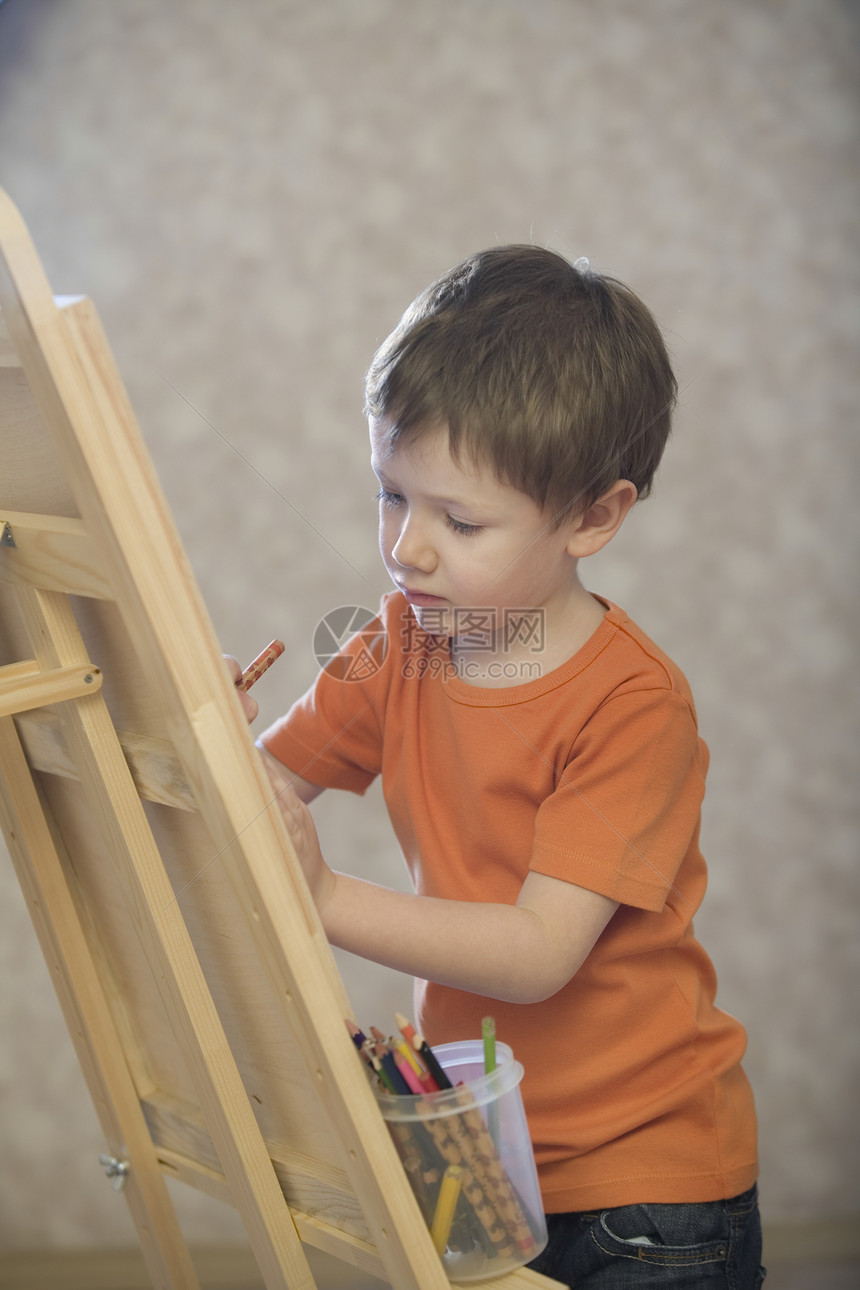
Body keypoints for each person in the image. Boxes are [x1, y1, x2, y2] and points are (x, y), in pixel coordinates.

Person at [230, 245, 764, 1288]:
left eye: (458, 520)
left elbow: (533, 952)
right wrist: (205, 733)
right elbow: (262, 795)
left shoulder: (631, 702)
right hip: (476, 1149)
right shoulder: (402, 639)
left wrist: (325, 895)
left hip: (645, 1188)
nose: (405, 551)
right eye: (390, 497)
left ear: (592, 519)